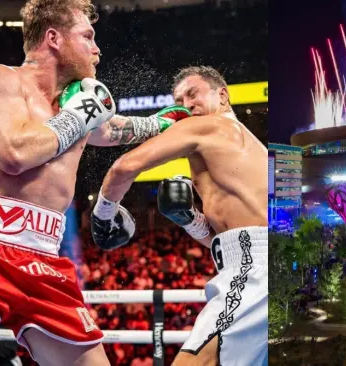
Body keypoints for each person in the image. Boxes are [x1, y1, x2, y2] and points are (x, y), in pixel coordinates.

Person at [0, 1, 190, 365]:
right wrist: (80, 115)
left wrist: (164, 122)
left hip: (43, 255)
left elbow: (114, 129)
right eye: (87, 36)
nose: (97, 49)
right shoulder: (4, 81)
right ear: (53, 38)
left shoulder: (77, 102)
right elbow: (14, 155)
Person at [91, 65, 268, 365]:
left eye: (193, 94)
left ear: (222, 96)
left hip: (254, 273)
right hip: (262, 263)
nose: (185, 105)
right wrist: (192, 221)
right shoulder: (249, 145)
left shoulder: (205, 126)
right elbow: (235, 239)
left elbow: (124, 166)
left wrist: (103, 214)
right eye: (178, 99)